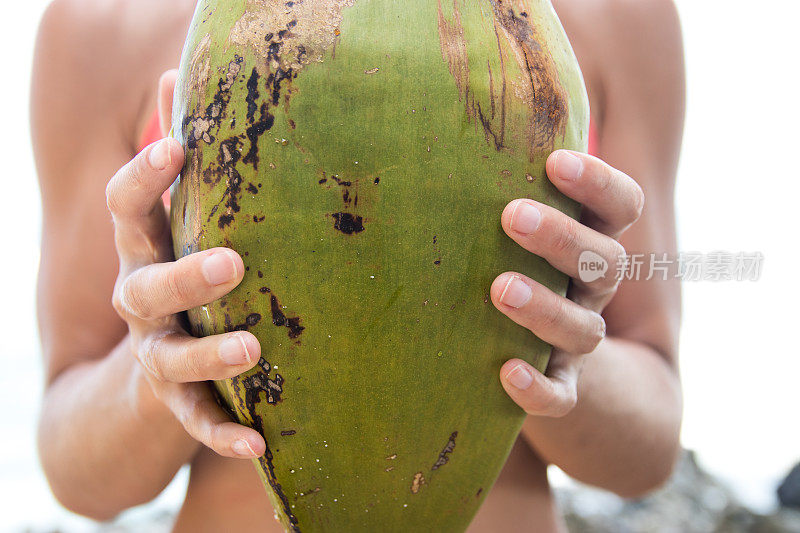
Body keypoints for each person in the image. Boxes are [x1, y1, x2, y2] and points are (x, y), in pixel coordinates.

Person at [31, 0, 685, 531]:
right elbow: (76, 472)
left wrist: (559, 340)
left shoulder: (620, 16)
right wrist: (161, 363)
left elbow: (650, 448)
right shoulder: (101, 23)